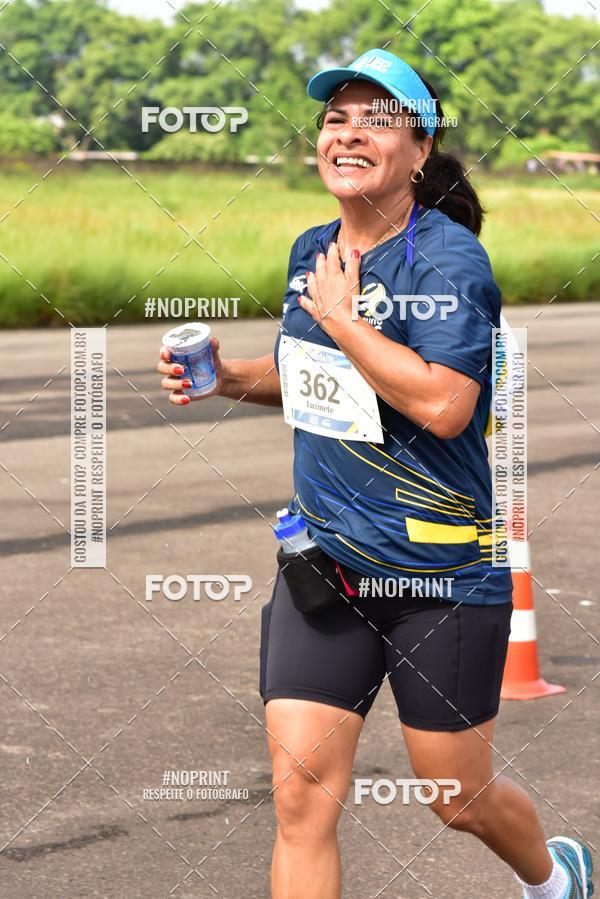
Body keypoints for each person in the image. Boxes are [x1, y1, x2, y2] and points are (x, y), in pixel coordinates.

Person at [157, 47, 593, 899]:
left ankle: (555, 876)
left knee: (456, 796)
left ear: (421, 150)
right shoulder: (313, 250)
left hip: (440, 575)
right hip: (326, 565)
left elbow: (445, 405)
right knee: (300, 797)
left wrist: (346, 321)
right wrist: (226, 375)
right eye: (336, 119)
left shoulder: (449, 261)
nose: (349, 133)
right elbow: (313, 376)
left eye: (378, 120)